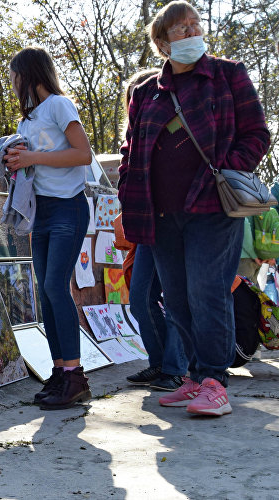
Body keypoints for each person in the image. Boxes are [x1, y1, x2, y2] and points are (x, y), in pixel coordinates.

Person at [118, 1, 270, 416]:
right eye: (180, 30)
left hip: (212, 207)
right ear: (163, 45)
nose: (191, 33)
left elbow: (257, 134)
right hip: (160, 214)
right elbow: (131, 150)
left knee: (207, 292)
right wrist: (127, 190)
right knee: (177, 298)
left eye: (194, 25)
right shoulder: (147, 93)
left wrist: (225, 171)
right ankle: (192, 377)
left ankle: (215, 383)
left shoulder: (228, 75)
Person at [3, 46, 93, 410]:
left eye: (14, 77)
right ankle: (60, 372)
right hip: (41, 213)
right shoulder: (28, 121)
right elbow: (34, 164)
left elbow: (83, 153)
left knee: (57, 285)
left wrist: (33, 157)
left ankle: (75, 375)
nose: (12, 84)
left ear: (29, 74)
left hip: (69, 209)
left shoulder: (59, 105)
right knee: (45, 293)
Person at [116, 69, 189, 392]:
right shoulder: (133, 136)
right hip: (148, 225)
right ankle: (158, 362)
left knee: (176, 299)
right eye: (134, 96)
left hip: (180, 221)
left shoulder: (178, 121)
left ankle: (176, 368)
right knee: (140, 297)